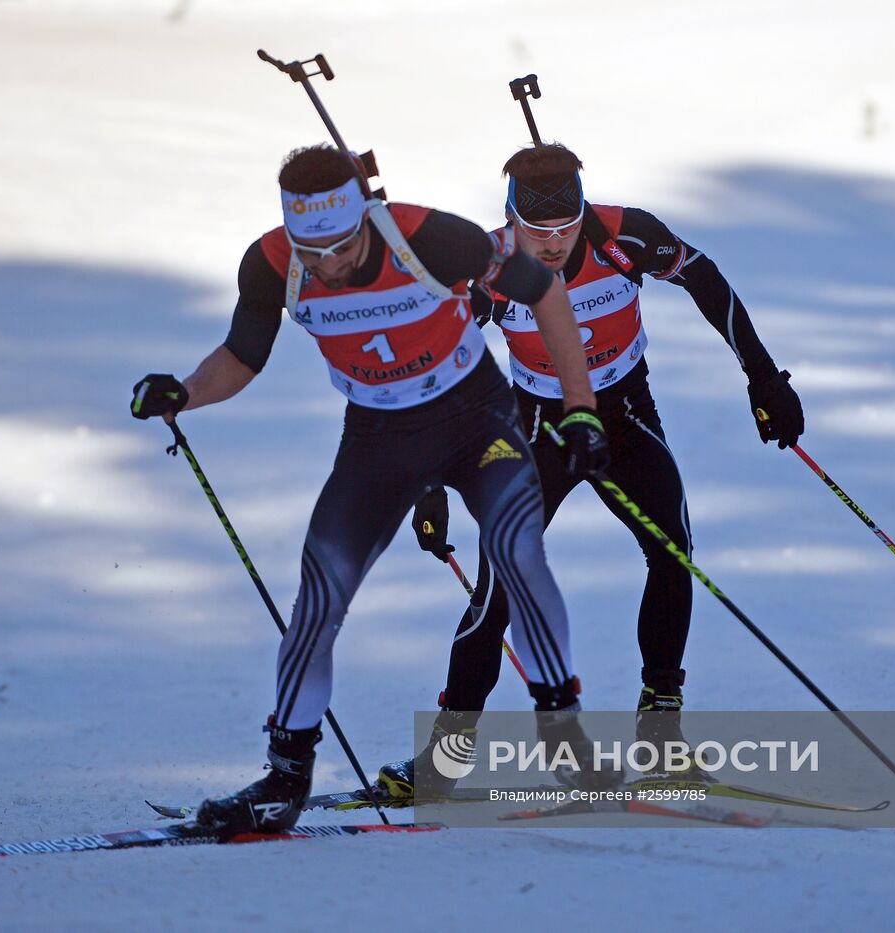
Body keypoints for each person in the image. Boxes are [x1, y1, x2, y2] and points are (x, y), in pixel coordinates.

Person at [130, 144, 611, 836]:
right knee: (319, 594)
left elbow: (546, 291)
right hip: (378, 439)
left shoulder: (433, 238)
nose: (327, 264)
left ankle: (566, 742)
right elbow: (242, 354)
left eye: (341, 245)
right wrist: (186, 391)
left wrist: (581, 408)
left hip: (477, 421)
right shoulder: (270, 263)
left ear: (366, 217)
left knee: (516, 549)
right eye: (311, 249)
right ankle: (284, 777)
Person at [379, 142, 804, 798]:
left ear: (584, 212)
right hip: (538, 428)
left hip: (625, 416)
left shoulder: (624, 235)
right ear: (510, 218)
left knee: (672, 551)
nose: (550, 245)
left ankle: (660, 734)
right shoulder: (490, 264)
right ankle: (446, 756)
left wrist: (763, 377)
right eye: (535, 231)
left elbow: (706, 278)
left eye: (564, 228)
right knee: (499, 584)